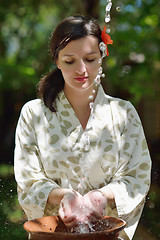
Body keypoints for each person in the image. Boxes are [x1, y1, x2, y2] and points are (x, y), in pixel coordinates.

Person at [14, 15, 151, 240]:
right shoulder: (34, 113)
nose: (82, 70)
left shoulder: (124, 113)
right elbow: (28, 179)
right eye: (70, 61)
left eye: (90, 59)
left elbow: (137, 176)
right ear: (57, 61)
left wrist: (102, 196)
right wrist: (63, 196)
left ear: (102, 56)